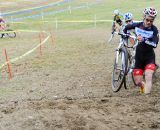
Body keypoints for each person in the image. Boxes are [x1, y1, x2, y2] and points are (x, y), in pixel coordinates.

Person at [123, 7, 159, 94]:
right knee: (138, 82)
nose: (149, 22)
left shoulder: (154, 29)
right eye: (147, 20)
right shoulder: (137, 25)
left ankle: (147, 95)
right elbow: (126, 28)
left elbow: (154, 44)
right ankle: (142, 86)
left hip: (149, 57)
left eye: (151, 21)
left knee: (148, 75)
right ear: (143, 17)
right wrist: (125, 37)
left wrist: (144, 40)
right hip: (139, 57)